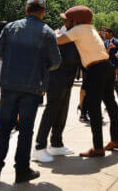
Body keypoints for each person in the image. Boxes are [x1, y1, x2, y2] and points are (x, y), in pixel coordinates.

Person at [0, 0, 61, 185]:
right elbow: (56, 62)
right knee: (26, 130)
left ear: (27, 10)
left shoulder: (10, 28)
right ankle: (22, 170)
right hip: (33, 86)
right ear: (43, 11)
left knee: (4, 128)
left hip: (9, 84)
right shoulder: (47, 32)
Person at [56, 6, 118, 158]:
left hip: (95, 69)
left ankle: (98, 148)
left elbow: (58, 41)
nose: (66, 22)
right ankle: (116, 140)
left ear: (74, 20)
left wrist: (55, 33)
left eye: (67, 20)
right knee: (111, 104)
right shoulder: (91, 29)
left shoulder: (78, 30)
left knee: (93, 108)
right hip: (107, 66)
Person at [33, 23, 80, 162]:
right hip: (55, 77)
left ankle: (56, 143)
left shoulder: (72, 35)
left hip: (67, 78)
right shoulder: (57, 35)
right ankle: (39, 146)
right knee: (52, 109)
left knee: (62, 110)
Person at [103, 28, 118, 111]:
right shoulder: (104, 43)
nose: (104, 35)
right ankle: (109, 104)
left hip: (114, 68)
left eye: (106, 33)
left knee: (117, 86)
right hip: (106, 67)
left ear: (111, 33)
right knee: (107, 87)